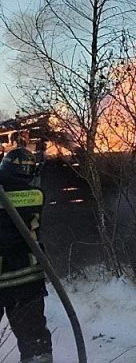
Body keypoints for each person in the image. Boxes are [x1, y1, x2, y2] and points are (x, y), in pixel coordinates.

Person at [0, 147, 52, 363]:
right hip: (28, 281)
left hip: (8, 277)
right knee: (35, 341)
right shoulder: (35, 195)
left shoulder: (29, 196)